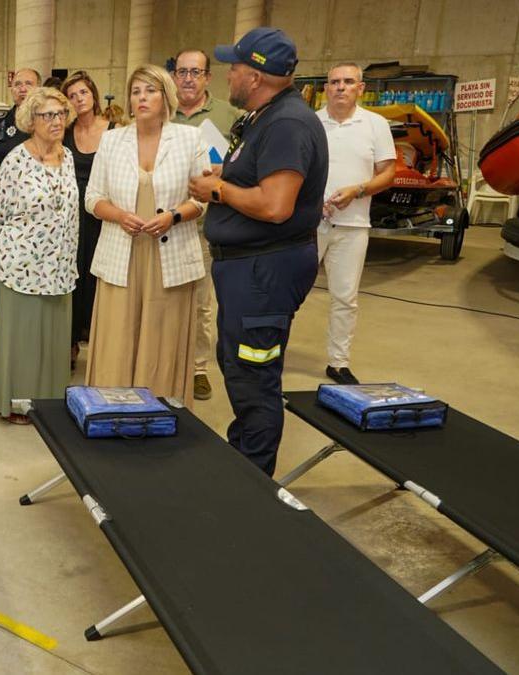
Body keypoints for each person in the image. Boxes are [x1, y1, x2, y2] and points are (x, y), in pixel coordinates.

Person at [188, 27, 327, 476]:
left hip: (265, 272)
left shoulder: (286, 124)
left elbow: (275, 204)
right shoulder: (264, 116)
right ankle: (244, 455)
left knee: (254, 375)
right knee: (240, 367)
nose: (228, 74)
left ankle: (254, 480)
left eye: (235, 67)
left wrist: (217, 190)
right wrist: (226, 176)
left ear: (257, 76)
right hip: (250, 269)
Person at [85, 64, 210, 407]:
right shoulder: (112, 140)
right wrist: (119, 216)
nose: (141, 98)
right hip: (121, 253)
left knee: (162, 333)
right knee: (118, 333)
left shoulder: (190, 138)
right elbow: (92, 197)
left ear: (166, 95)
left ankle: (161, 404)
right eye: (136, 91)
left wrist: (173, 216)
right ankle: (111, 404)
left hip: (169, 255)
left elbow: (202, 197)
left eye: (150, 91)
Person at [0, 87, 79, 423]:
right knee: (23, 338)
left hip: (60, 263)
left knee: (53, 338)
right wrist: (18, 248)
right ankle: (17, 403)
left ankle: (49, 403)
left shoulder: (67, 157)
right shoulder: (16, 159)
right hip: (20, 265)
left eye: (61, 114)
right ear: (32, 120)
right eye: (48, 115)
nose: (56, 121)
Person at [170, 48, 243, 401]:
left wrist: (222, 172)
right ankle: (166, 363)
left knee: (200, 303)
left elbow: (249, 164)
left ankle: (198, 368)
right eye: (182, 71)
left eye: (195, 72)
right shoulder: (161, 112)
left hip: (205, 227)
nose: (187, 78)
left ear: (207, 77)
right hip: (161, 224)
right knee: (164, 301)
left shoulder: (230, 116)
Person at [317, 62, 396, 384]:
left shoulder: (375, 125)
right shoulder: (310, 122)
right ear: (326, 87)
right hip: (309, 223)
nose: (340, 87)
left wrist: (358, 190)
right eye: (334, 82)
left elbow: (388, 173)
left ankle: (338, 362)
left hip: (353, 226)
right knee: (288, 294)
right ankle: (274, 355)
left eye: (348, 82)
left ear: (360, 89)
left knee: (345, 297)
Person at [0, 67, 40, 351]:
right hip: (6, 214)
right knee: (3, 271)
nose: (22, 88)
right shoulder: (0, 125)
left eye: (29, 83)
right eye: (18, 84)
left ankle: (29, 331)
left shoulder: (46, 124)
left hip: (40, 214)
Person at [61, 70, 114, 369]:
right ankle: (68, 343)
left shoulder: (114, 131)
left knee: (97, 278)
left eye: (83, 92)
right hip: (70, 216)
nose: (79, 99)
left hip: (101, 215)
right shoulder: (65, 132)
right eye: (72, 95)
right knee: (73, 276)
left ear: (93, 94)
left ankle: (98, 341)